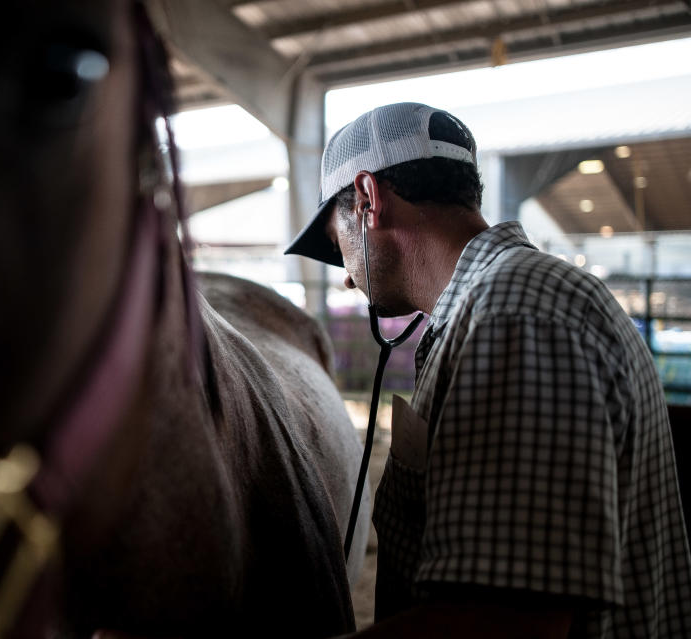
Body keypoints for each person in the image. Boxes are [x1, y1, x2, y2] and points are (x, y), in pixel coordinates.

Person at [283, 102, 691, 637]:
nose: (348, 281)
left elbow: (506, 622)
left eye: (340, 249)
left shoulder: (513, 316)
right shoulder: (505, 305)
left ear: (367, 199)